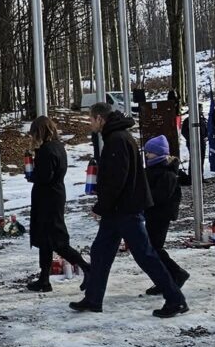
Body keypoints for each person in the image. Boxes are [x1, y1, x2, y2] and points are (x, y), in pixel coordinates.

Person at [72, 102, 187, 318]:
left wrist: (101, 206)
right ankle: (93, 298)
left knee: (146, 256)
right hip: (118, 211)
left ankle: (176, 299)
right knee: (100, 253)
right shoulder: (118, 137)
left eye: (91, 119)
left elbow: (117, 180)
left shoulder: (116, 140)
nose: (89, 123)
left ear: (100, 119)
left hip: (124, 210)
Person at [25, 116, 88, 292]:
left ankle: (86, 267)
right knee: (46, 240)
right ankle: (44, 279)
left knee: (57, 240)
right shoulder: (59, 147)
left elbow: (45, 176)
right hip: (54, 195)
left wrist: (32, 174)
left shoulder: (46, 150)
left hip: (47, 198)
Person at [141, 136, 189, 295]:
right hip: (154, 214)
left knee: (155, 248)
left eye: (150, 153)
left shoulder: (167, 172)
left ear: (159, 153)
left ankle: (175, 274)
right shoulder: (155, 169)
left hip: (160, 215)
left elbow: (159, 196)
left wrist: (143, 199)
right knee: (153, 248)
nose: (147, 156)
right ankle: (166, 278)